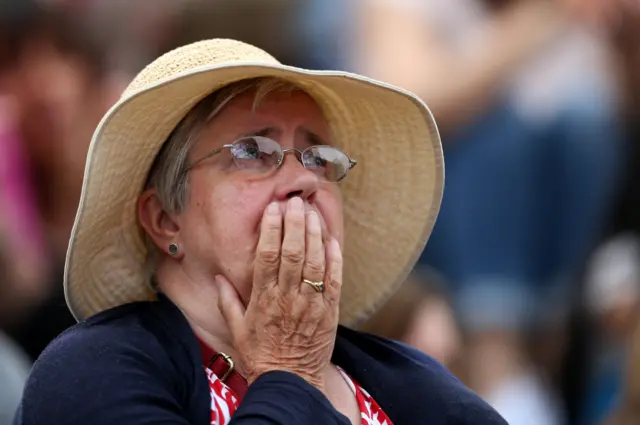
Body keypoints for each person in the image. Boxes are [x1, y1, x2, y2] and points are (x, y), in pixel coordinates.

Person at [13, 39, 506, 425]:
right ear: (164, 218)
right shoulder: (92, 371)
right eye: (252, 152)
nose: (304, 179)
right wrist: (290, 374)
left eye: (320, 157)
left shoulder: (412, 386)